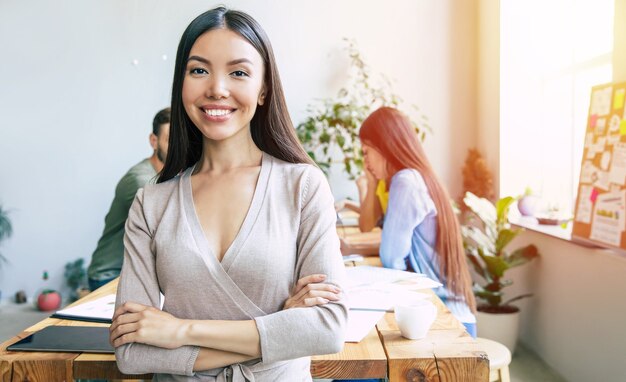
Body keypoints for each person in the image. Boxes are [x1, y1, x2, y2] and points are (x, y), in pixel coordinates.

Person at [109, 7, 347, 381]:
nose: (217, 88)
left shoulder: (303, 186)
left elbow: (326, 328)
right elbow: (132, 352)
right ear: (182, 84)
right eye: (199, 70)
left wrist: (179, 331)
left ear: (264, 87)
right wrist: (279, 328)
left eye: (238, 72)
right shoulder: (151, 203)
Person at [358, 106, 477, 337]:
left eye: (366, 152)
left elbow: (391, 259)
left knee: (359, 368)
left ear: (384, 146)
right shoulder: (420, 176)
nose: (365, 163)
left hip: (444, 320)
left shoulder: (406, 182)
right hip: (453, 315)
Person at [87, 108, 171, 292]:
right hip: (110, 275)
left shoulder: (171, 178)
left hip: (136, 274)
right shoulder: (141, 181)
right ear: (153, 141)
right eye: (170, 140)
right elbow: (167, 236)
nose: (178, 147)